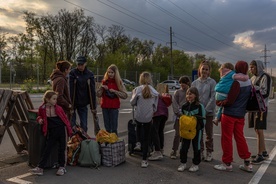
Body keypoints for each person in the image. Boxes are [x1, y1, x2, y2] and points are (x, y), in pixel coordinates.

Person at [214, 60, 253, 172]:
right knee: (240, 138)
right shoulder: (249, 81)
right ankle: (247, 162)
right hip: (240, 115)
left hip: (229, 114)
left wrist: (220, 103)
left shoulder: (236, 82)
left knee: (226, 138)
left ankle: (227, 163)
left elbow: (230, 100)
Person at [29, 90, 72, 176]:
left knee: (61, 148)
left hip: (61, 130)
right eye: (54, 99)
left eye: (56, 99)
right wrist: (39, 119)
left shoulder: (58, 108)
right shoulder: (42, 108)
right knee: (47, 149)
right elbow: (39, 116)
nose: (56, 101)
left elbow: (65, 119)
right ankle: (40, 168)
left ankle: (61, 167)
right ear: (48, 99)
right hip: (51, 131)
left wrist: (69, 130)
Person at [130, 71, 159, 168]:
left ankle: (138, 142)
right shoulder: (154, 92)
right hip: (148, 117)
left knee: (138, 125)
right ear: (150, 79)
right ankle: (144, 160)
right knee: (146, 138)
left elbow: (132, 102)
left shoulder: (137, 90)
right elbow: (155, 107)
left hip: (139, 115)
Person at [191, 60, 216, 162]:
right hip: (197, 113)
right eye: (203, 69)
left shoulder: (212, 82)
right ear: (199, 70)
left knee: (209, 133)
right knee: (198, 132)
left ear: (209, 71)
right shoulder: (194, 83)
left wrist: (205, 110)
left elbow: (213, 97)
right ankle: (200, 151)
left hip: (208, 113)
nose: (204, 71)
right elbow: (192, 97)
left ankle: (209, 152)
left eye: (207, 69)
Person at [248, 60, 272, 164]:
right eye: (250, 67)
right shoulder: (253, 78)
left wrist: (254, 89)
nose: (251, 69)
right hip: (254, 107)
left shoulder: (265, 76)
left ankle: (260, 155)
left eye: (253, 67)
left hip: (261, 107)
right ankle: (264, 151)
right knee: (257, 130)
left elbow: (265, 92)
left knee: (259, 129)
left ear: (258, 67)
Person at [177, 87, 206, 172]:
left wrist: (198, 127)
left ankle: (195, 164)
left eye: (191, 94)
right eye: (187, 94)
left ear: (196, 95)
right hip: (186, 131)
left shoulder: (200, 106)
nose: (189, 95)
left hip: (196, 131)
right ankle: (183, 163)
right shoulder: (184, 106)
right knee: (183, 147)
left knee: (196, 147)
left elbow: (203, 120)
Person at [96, 64, 128, 135]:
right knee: (107, 128)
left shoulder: (119, 82)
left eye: (112, 72)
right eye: (109, 72)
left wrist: (115, 91)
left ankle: (114, 143)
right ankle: (108, 144)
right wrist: (101, 88)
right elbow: (98, 95)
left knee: (113, 128)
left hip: (114, 107)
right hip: (105, 107)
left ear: (115, 73)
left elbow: (125, 95)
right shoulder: (104, 81)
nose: (110, 74)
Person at [69, 56, 97, 133]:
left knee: (84, 125)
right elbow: (70, 90)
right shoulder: (72, 73)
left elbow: (92, 91)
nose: (80, 66)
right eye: (78, 64)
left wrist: (93, 106)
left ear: (85, 64)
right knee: (72, 124)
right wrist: (70, 104)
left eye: (82, 64)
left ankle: (83, 141)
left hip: (83, 103)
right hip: (74, 102)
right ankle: (74, 142)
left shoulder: (89, 74)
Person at [170, 76, 191, 159]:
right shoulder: (177, 92)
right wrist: (178, 113)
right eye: (181, 83)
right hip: (179, 116)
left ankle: (184, 151)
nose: (182, 85)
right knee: (177, 134)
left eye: (184, 83)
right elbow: (174, 103)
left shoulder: (190, 92)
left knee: (186, 135)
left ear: (187, 83)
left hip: (188, 116)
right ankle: (174, 150)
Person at [148, 85, 171, 161]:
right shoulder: (163, 95)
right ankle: (161, 149)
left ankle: (157, 151)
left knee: (154, 131)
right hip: (164, 113)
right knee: (160, 131)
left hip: (157, 113)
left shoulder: (153, 94)